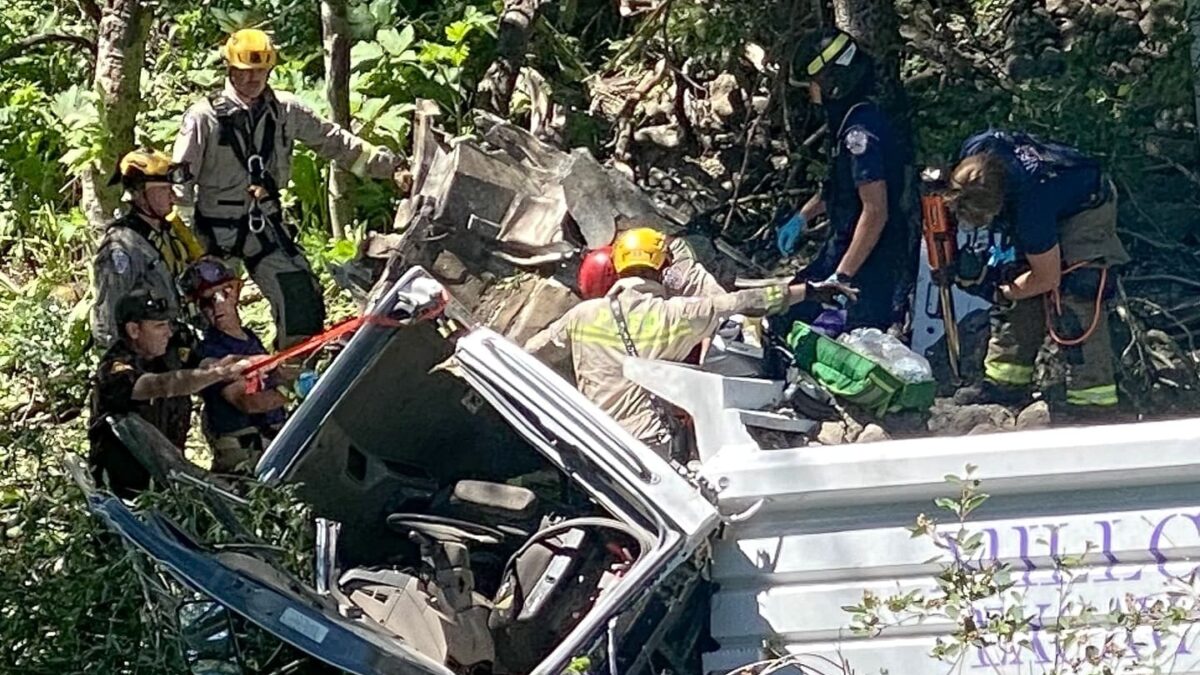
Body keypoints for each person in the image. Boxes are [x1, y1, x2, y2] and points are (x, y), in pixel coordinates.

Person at [173, 28, 412, 349]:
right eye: (244, 71)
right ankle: (225, 382)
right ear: (229, 69)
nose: (252, 78)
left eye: (259, 71)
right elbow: (180, 183)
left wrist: (390, 167)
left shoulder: (286, 111)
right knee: (213, 315)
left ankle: (292, 372)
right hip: (215, 233)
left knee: (300, 299)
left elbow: (336, 143)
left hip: (266, 226)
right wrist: (189, 247)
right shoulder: (204, 118)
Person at [526, 228, 856, 456]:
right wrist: (810, 291)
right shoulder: (677, 314)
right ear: (664, 268)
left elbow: (529, 354)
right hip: (651, 443)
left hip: (598, 445)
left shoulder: (582, 316)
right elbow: (746, 302)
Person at [946, 130, 1130, 418]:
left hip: (1085, 205)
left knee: (1077, 291)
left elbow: (1047, 278)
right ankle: (1005, 383)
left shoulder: (1032, 208)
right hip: (1047, 195)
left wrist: (1002, 291)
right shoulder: (976, 148)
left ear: (999, 204)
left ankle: (1093, 399)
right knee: (1018, 275)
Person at [775, 30, 912, 334]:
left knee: (841, 340)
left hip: (870, 264)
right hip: (842, 247)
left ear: (832, 81)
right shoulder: (848, 121)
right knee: (784, 313)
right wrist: (802, 217)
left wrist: (842, 277)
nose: (810, 92)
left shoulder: (860, 133)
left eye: (812, 83)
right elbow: (840, 186)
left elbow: (875, 211)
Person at [89, 289, 253, 498]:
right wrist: (218, 373)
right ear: (133, 330)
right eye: (159, 326)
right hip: (130, 495)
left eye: (168, 323)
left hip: (170, 480)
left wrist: (243, 364)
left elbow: (200, 365)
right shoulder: (114, 370)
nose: (168, 332)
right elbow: (161, 385)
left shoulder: (170, 348)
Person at [182, 258, 288, 473]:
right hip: (245, 463)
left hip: (273, 449)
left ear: (237, 291)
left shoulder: (249, 338)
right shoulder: (209, 353)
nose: (217, 304)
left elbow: (273, 376)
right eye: (207, 301)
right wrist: (293, 392)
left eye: (225, 293)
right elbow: (247, 402)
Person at [90, 148, 204, 348]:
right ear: (139, 195)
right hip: (149, 354)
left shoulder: (171, 233)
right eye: (163, 190)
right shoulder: (122, 245)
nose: (173, 196)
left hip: (182, 341)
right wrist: (124, 363)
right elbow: (108, 314)